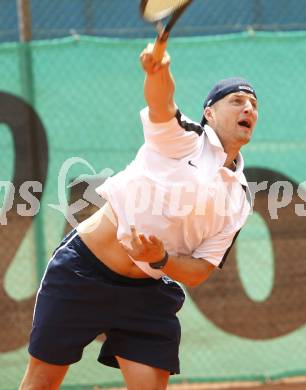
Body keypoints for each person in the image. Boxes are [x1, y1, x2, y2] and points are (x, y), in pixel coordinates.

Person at [20, 43, 258, 390]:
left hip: (146, 293)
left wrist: (160, 259)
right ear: (209, 113)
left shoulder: (239, 199)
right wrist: (157, 71)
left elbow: (199, 270)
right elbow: (162, 104)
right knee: (41, 382)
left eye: (253, 104)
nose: (248, 107)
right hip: (82, 272)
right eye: (237, 100)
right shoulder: (183, 139)